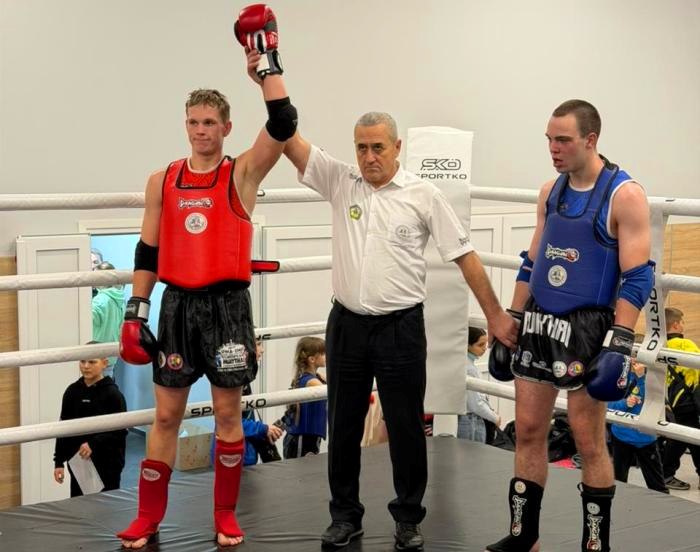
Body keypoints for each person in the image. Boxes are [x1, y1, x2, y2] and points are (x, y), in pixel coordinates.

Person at [250, 51, 517, 547]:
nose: (369, 157)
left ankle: (408, 518)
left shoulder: (423, 194)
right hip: (347, 324)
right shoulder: (340, 180)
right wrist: (267, 75)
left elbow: (465, 256)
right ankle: (345, 515)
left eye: (377, 147)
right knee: (343, 425)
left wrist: (496, 316)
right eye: (361, 147)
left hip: (401, 327)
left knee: (406, 426)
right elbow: (286, 135)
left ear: (397, 148)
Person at [116, 5, 298, 548]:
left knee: (226, 416)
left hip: (227, 308)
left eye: (210, 123)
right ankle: (148, 517)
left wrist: (266, 67)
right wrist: (135, 311)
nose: (201, 131)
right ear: (186, 125)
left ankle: (224, 515)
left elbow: (284, 125)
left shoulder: (240, 174)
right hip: (176, 306)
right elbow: (147, 248)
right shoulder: (163, 179)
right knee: (165, 417)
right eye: (193, 122)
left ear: (226, 128)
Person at [487, 99, 653, 552]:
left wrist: (620, 340)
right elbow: (533, 261)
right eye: (549, 140)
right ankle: (524, 537)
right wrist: (513, 317)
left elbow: (638, 276)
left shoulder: (624, 195)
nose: (553, 149)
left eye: (563, 140)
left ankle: (595, 545)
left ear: (590, 139)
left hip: (589, 328)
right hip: (539, 319)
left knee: (588, 439)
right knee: (527, 429)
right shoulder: (550, 192)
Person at [53, 346, 127, 497]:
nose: (86, 366)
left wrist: (93, 444)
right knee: (79, 505)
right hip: (79, 463)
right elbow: (63, 428)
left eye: (92, 362)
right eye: (82, 361)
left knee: (105, 505)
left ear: (104, 363)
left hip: (107, 464)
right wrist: (58, 462)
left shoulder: (113, 395)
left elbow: (120, 432)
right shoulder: (72, 392)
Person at [607, 359, 668, 493]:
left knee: (657, 486)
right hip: (621, 436)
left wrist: (641, 378)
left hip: (645, 438)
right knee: (618, 481)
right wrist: (625, 403)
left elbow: (655, 402)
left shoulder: (655, 375)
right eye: (633, 355)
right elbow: (607, 405)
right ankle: (616, 503)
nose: (636, 360)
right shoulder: (618, 375)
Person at [662, 307, 700, 490]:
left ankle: (666, 473)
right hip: (689, 399)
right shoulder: (685, 345)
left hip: (673, 399)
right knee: (690, 437)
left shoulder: (661, 346)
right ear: (676, 324)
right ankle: (666, 474)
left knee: (684, 436)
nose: (683, 325)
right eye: (682, 322)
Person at [282, 336, 328, 458]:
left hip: (309, 437)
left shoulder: (317, 377)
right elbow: (333, 392)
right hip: (302, 438)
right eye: (323, 354)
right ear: (312, 359)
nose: (326, 356)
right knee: (302, 470)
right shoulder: (311, 381)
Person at [457, 327, 500, 443]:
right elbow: (475, 403)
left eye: (485, 344)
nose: (484, 348)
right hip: (470, 420)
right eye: (480, 345)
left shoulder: (466, 363)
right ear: (468, 345)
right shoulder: (469, 368)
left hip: (469, 418)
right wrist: (494, 418)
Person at [92, 260, 126, 374]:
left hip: (96, 357)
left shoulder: (99, 301)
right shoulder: (120, 299)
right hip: (111, 356)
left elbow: (85, 322)